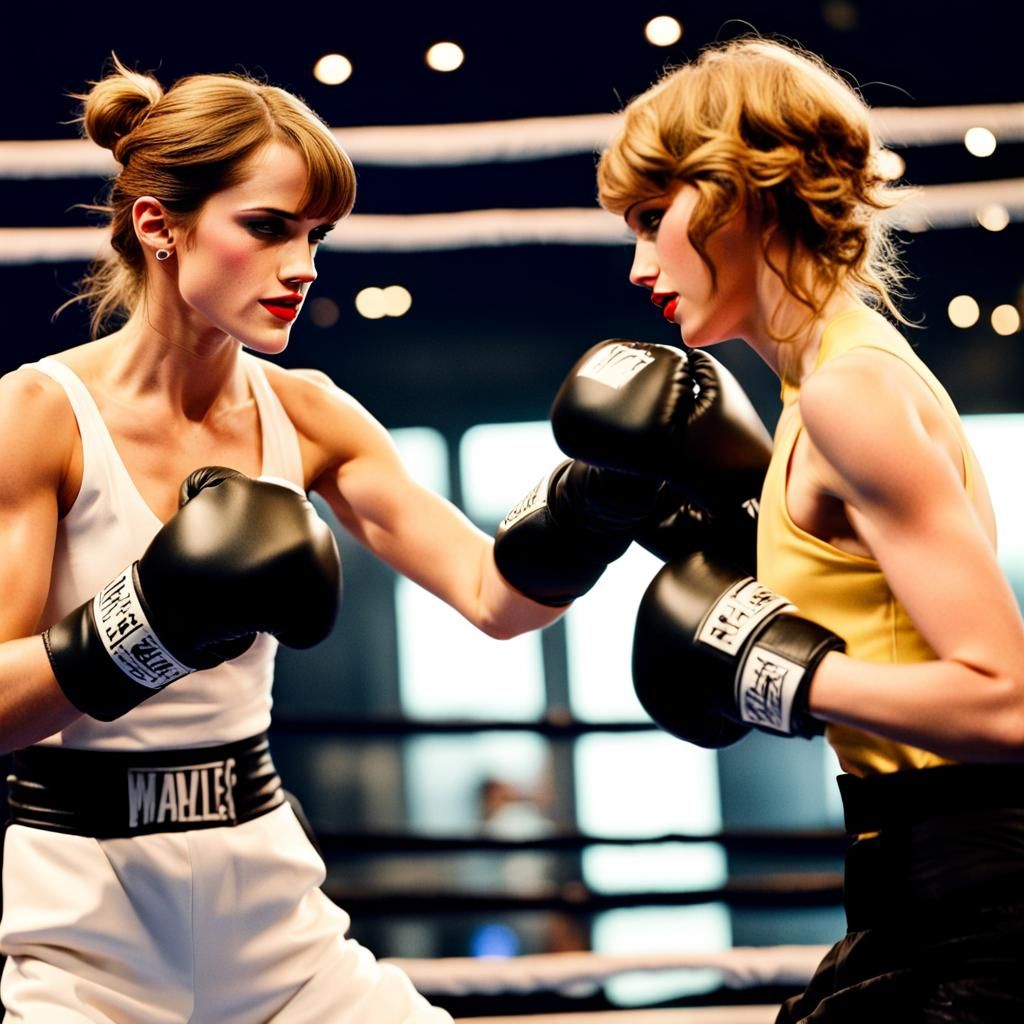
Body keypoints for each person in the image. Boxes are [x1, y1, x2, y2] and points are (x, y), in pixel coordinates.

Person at [0, 57, 663, 1022]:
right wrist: (150, 624)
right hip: (87, 941)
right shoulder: (39, 414)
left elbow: (494, 597)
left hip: (280, 930)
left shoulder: (309, 416)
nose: (302, 265)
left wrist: (599, 498)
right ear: (159, 226)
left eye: (315, 235)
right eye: (267, 229)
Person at [559, 36, 1024, 1021]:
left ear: (741, 192)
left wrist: (784, 671)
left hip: (980, 895)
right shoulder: (818, 384)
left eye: (654, 218)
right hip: (918, 880)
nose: (641, 263)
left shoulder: (849, 391)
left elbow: (1007, 702)